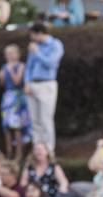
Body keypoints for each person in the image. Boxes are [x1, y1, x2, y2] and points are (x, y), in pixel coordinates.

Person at [24, 21, 64, 154]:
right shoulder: (34, 46)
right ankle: (37, 150)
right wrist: (27, 82)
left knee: (45, 119)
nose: (31, 39)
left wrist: (37, 53)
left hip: (46, 84)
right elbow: (28, 66)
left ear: (39, 33)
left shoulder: (55, 45)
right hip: (32, 84)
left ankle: (49, 150)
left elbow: (51, 64)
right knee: (34, 120)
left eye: (33, 35)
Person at [0, 44, 31, 161]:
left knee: (16, 126)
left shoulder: (21, 66)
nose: (9, 56)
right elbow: (2, 84)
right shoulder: (4, 66)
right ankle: (9, 153)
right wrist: (1, 77)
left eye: (11, 53)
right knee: (6, 127)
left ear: (17, 54)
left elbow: (17, 81)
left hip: (17, 97)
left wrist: (10, 70)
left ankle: (19, 155)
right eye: (7, 54)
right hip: (7, 97)